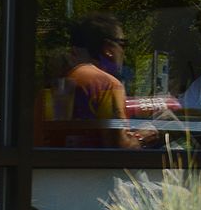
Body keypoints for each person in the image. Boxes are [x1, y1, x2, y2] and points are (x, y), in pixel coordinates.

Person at [46, 13, 146, 149]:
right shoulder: (106, 84)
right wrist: (145, 136)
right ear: (108, 49)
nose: (124, 52)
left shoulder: (58, 81)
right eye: (123, 44)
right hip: (91, 169)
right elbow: (120, 148)